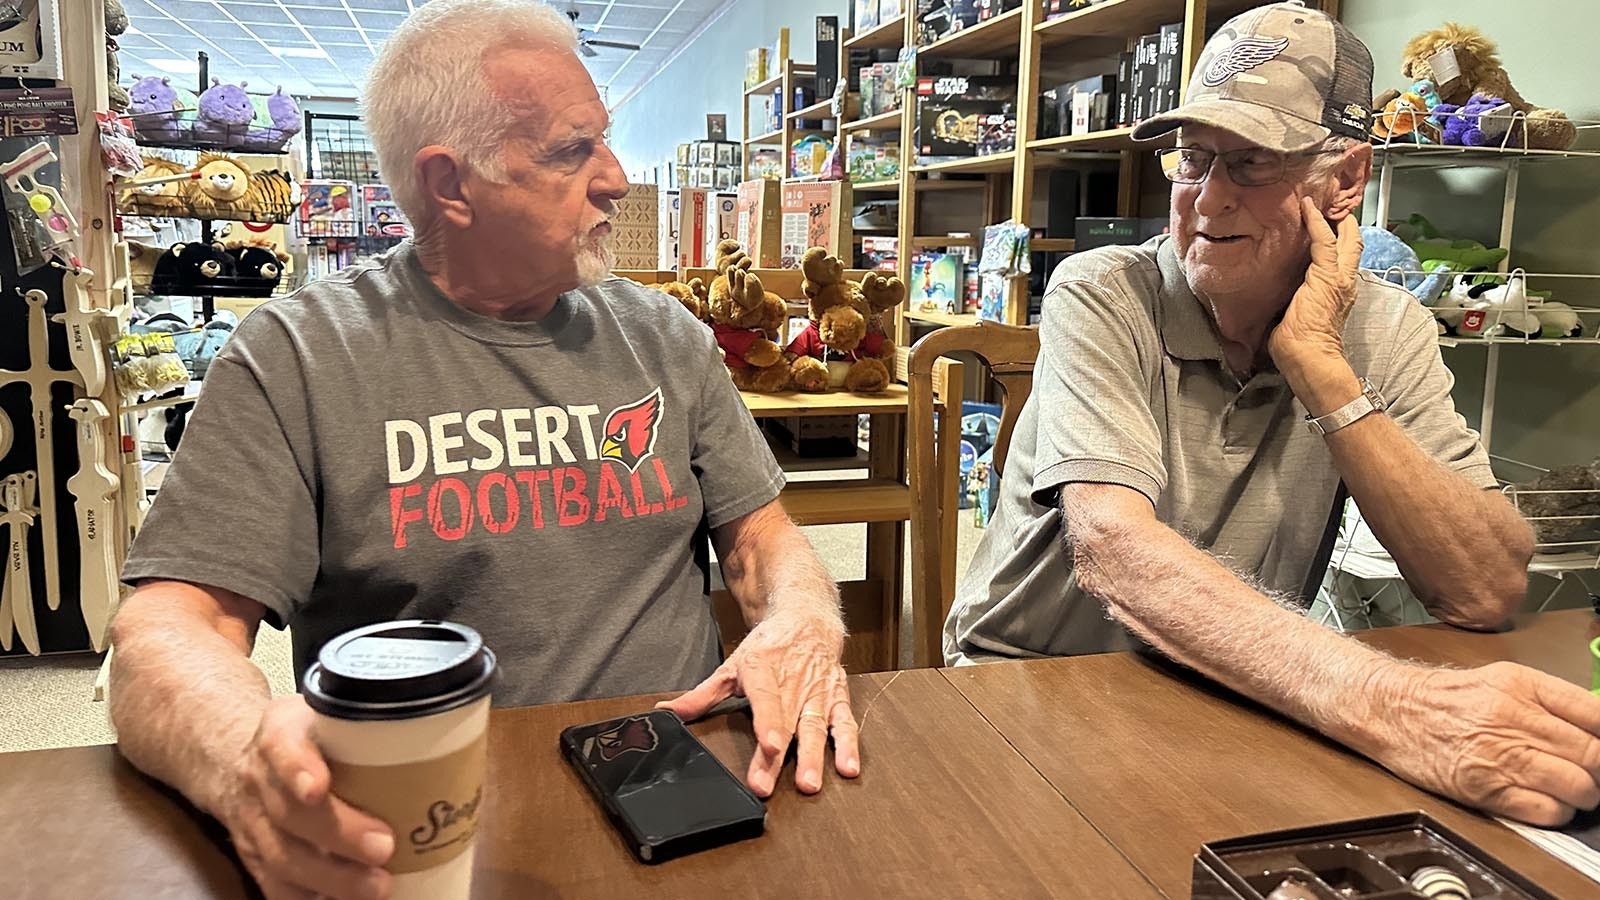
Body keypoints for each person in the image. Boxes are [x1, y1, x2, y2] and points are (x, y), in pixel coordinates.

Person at [107, 2, 859, 898]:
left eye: (604, 142)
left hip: (687, 785)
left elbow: (759, 537)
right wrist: (243, 764)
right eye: (571, 151)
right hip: (433, 820)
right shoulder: (298, 353)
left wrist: (802, 623)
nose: (616, 179)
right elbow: (165, 629)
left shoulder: (663, 334)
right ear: (450, 185)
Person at [945, 2, 1600, 829]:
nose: (1208, 201)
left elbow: (1482, 587)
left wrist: (1322, 370)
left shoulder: (1385, 324)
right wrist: (1395, 704)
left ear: (1348, 178)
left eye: (1252, 163)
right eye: (1193, 161)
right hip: (1032, 685)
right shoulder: (1103, 289)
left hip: (1237, 681)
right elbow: (1114, 550)